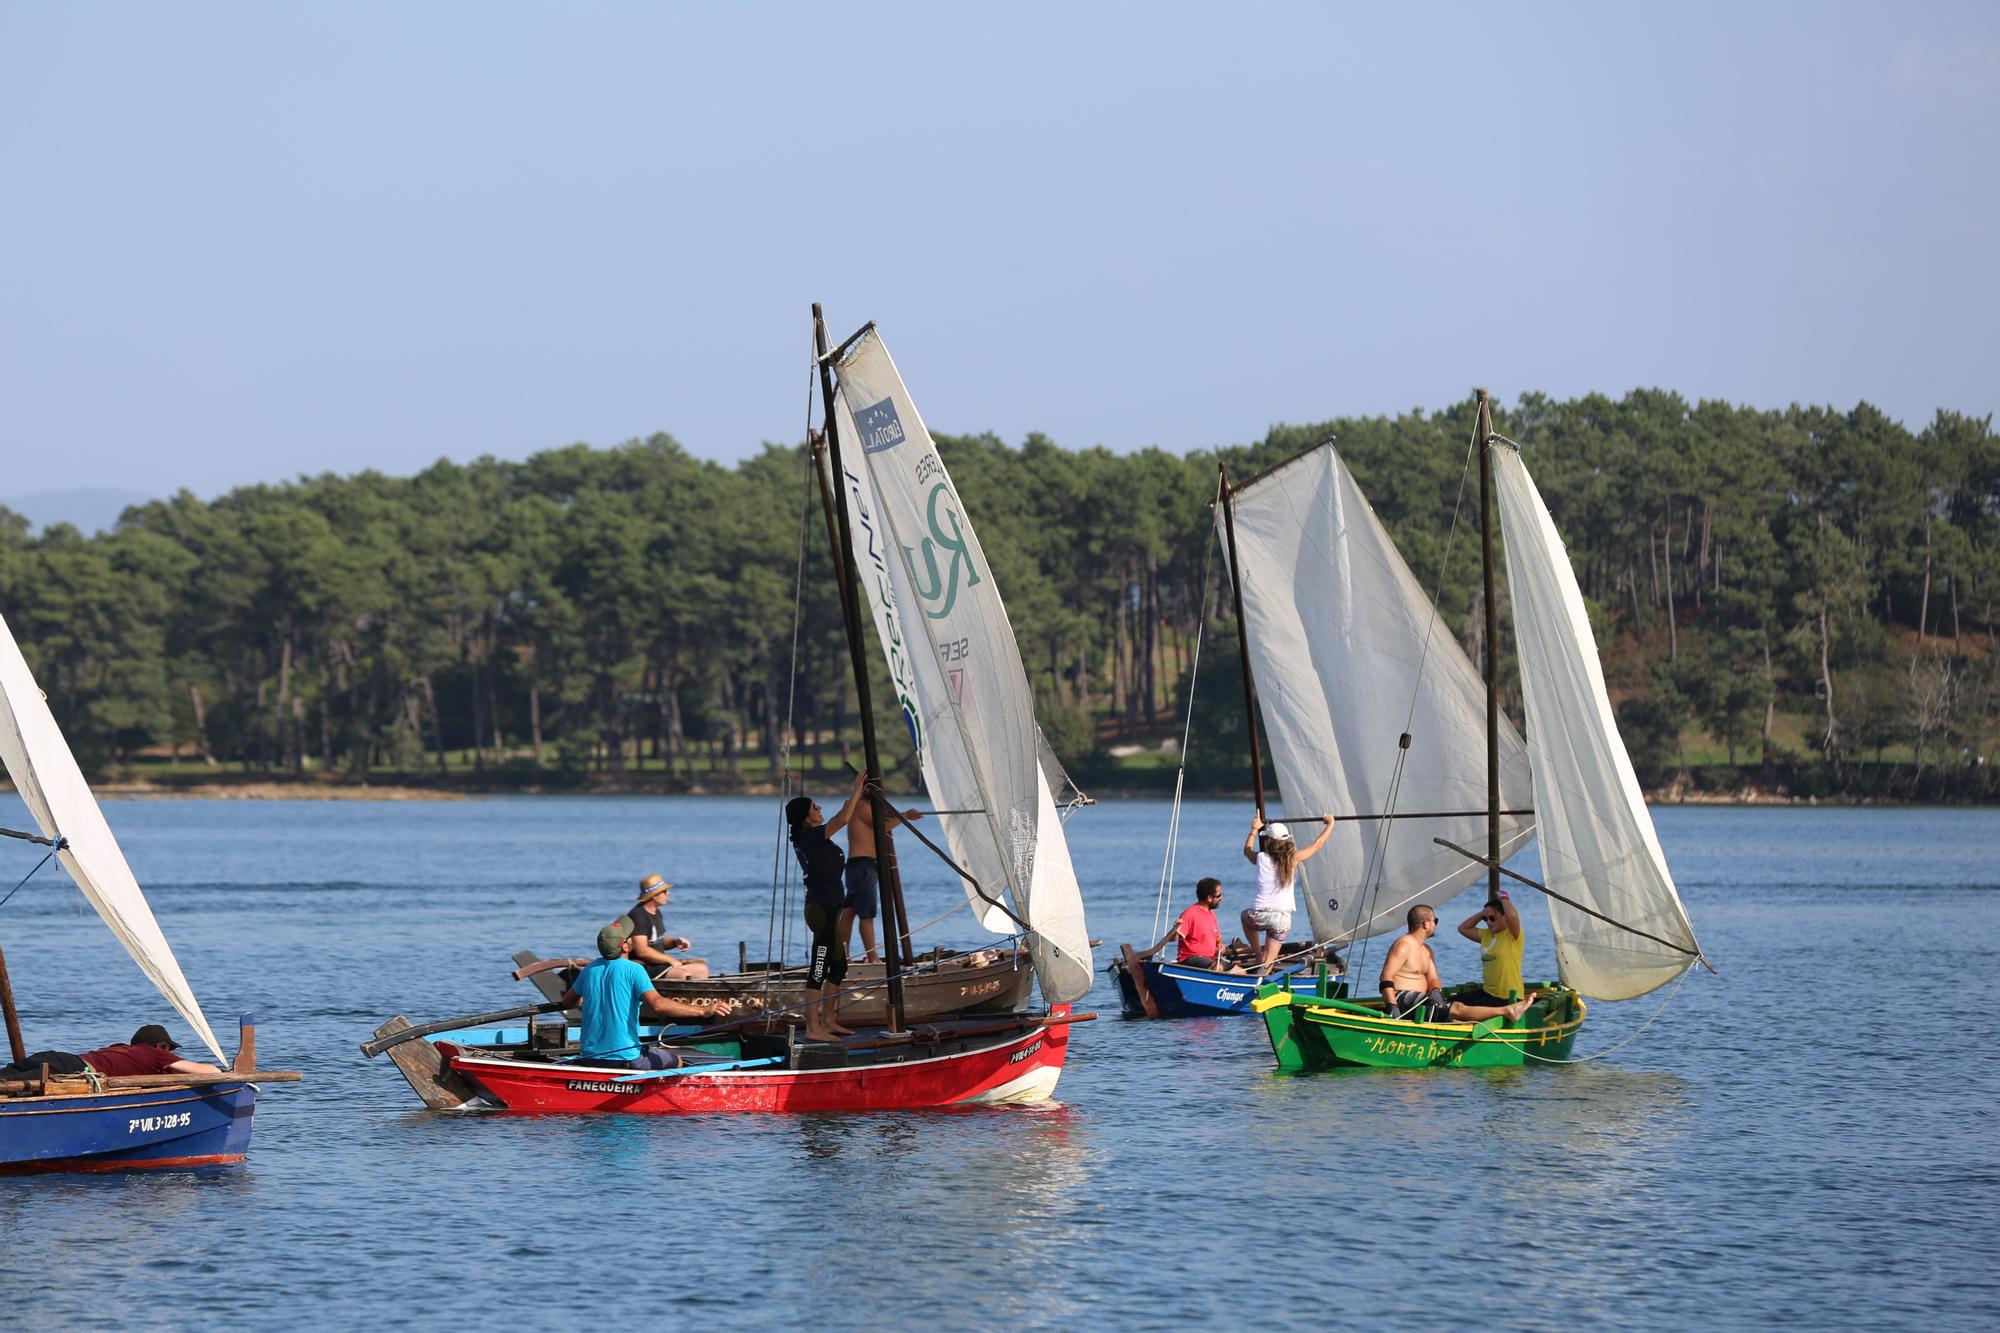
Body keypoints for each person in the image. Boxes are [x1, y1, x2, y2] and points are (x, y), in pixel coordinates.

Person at [558, 917, 733, 1069]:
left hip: (589, 1058)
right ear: (625, 946)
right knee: (677, 1061)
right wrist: (704, 1011)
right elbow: (658, 1005)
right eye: (629, 938)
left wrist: (585, 998)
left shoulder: (589, 970)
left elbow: (567, 1003)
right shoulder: (634, 970)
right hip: (626, 1059)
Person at [786, 770, 868, 1041]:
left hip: (831, 908)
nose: (819, 808)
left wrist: (857, 790)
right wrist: (856, 789)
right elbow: (844, 817)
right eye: (814, 807)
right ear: (805, 818)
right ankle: (813, 1028)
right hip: (821, 910)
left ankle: (829, 1020)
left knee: (838, 966)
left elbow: (844, 811)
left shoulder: (815, 837)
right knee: (819, 968)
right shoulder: (811, 837)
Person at [1379, 904, 1536, 1024]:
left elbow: (1433, 978)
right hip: (1403, 999)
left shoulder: (1427, 950)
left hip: (1421, 1001)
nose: (1436, 924)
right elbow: (1386, 977)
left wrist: (1435, 991)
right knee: (1458, 1008)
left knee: (1453, 1007)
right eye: (1436, 921)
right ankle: (1508, 1010)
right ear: (1426, 924)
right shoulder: (1404, 945)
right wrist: (1392, 1007)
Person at [1239, 813, 1335, 975]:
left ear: (1268, 841)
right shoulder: (1293, 859)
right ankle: (1262, 977)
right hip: (1281, 919)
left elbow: (1247, 851)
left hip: (1259, 915)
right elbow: (1317, 845)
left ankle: (1256, 953)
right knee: (1269, 962)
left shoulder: (1261, 858)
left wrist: (1254, 829)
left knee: (1244, 916)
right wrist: (1330, 824)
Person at [841, 777, 921, 965]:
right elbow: (881, 827)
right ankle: (873, 957)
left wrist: (898, 813)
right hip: (864, 867)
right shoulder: (864, 808)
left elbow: (880, 819)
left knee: (849, 911)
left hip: (855, 866)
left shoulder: (853, 805)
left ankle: (842, 955)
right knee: (866, 914)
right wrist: (905, 816)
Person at [0, 1023, 223, 1080]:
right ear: (160, 1046)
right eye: (168, 1048)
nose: (170, 1052)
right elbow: (210, 1072)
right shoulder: (155, 1054)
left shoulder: (118, 1049)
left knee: (5, 1079)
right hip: (69, 1069)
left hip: (55, 1058)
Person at [1138, 877, 1245, 971]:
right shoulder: (1190, 913)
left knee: (1241, 972)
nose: (1221, 898)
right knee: (1218, 968)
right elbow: (1173, 938)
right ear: (1209, 898)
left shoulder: (1211, 914)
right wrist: (1175, 929)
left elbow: (1217, 938)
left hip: (1211, 959)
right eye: (1219, 895)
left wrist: (1220, 945)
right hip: (1191, 959)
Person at [626, 872, 709, 980]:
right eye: (664, 891)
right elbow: (642, 951)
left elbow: (659, 939)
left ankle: (700, 997)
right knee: (682, 975)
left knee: (702, 969)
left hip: (659, 964)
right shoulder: (638, 915)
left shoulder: (656, 912)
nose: (668, 894)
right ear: (654, 895)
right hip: (645, 967)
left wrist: (675, 942)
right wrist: (670, 960)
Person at [1455, 888, 1526, 1006]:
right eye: (1485, 919)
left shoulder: (1512, 934)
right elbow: (1463, 928)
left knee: (1457, 1008)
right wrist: (1484, 913)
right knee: (1450, 1003)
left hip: (1508, 997)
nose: (1488, 922)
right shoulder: (1485, 935)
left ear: (1504, 916)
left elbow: (1513, 916)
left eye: (1492, 918)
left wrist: (1504, 899)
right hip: (1488, 993)